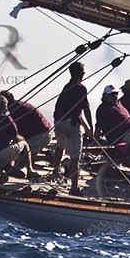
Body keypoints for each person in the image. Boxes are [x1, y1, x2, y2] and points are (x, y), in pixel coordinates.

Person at [51, 61, 95, 194]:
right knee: (75, 157)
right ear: (81, 73)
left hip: (59, 122)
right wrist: (91, 129)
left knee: (60, 146)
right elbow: (85, 109)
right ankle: (74, 188)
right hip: (71, 124)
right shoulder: (81, 88)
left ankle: (55, 171)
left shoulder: (66, 87)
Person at [0, 91, 53, 161]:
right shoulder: (17, 105)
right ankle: (46, 153)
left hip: (42, 135)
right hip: (43, 132)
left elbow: (15, 132)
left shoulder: (16, 111)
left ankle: (48, 158)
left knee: (22, 158)